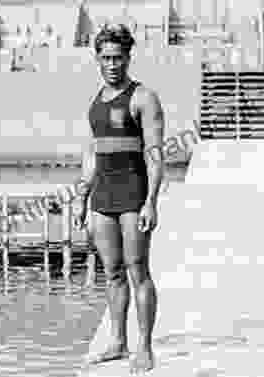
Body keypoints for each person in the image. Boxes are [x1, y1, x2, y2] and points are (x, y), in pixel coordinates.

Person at [77, 23, 164, 374]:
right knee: (112, 272)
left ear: (129, 58)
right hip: (102, 197)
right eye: (105, 58)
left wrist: (151, 201)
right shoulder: (96, 102)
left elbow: (154, 153)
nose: (112, 64)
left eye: (118, 58)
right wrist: (81, 199)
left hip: (132, 195)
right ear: (97, 59)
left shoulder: (143, 97)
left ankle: (144, 347)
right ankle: (117, 342)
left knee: (137, 270)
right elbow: (91, 154)